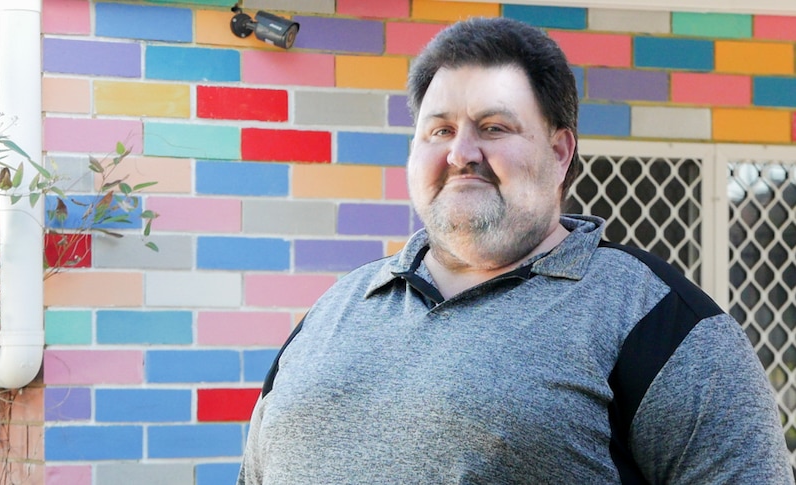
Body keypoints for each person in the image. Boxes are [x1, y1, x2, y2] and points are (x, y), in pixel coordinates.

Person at [237, 17, 793, 484]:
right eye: (439, 131)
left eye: (494, 127)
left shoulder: (659, 323)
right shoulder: (335, 309)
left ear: (560, 153)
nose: (461, 153)